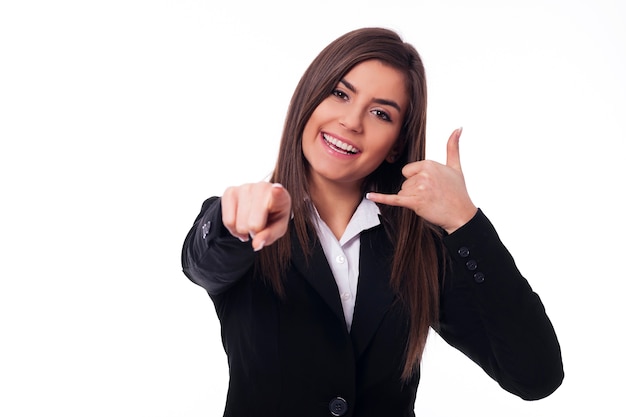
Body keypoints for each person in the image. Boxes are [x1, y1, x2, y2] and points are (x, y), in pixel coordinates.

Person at [181, 27, 563, 417]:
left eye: (381, 113)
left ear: (397, 142)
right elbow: (203, 263)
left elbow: (535, 376)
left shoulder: (418, 248)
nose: (351, 121)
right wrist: (235, 223)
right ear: (309, 99)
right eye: (340, 94)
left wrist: (465, 222)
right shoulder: (249, 222)